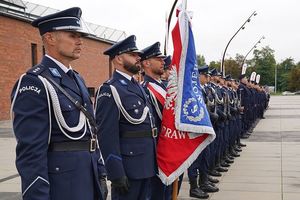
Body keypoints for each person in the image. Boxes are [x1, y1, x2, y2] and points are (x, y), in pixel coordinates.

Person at [10, 7, 107, 200]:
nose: (80, 41)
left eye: (80, 36)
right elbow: (31, 153)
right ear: (50, 38)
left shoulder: (76, 79)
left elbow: (91, 133)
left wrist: (100, 173)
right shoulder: (34, 82)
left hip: (87, 180)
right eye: (72, 35)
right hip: (62, 187)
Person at [95, 35, 157, 200]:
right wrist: (116, 173)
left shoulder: (138, 86)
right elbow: (106, 135)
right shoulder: (110, 89)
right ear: (119, 59)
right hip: (128, 169)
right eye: (133, 55)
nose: (139, 58)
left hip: (147, 164)